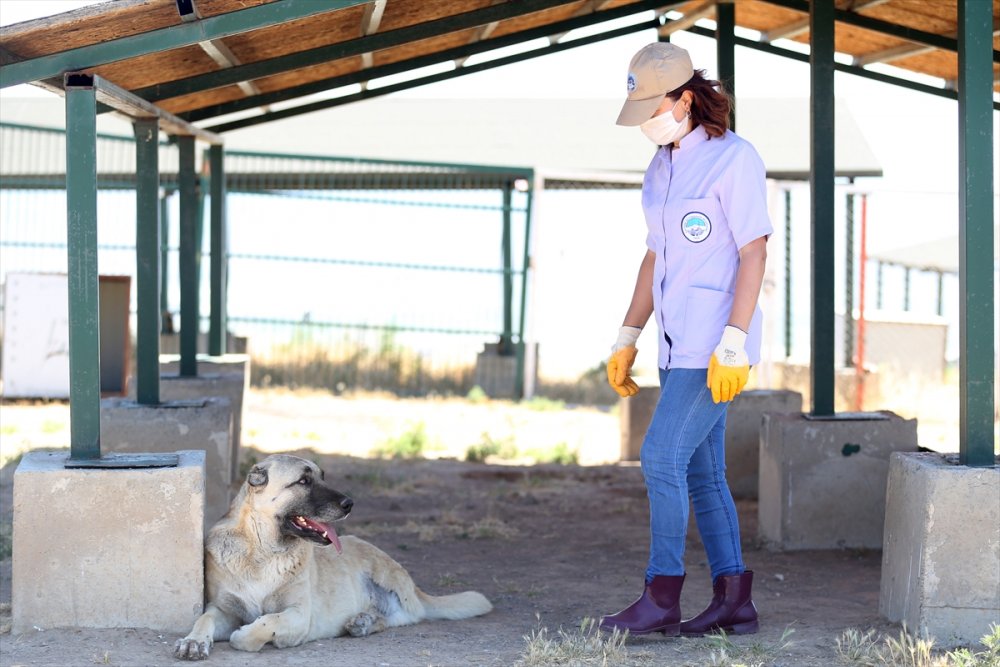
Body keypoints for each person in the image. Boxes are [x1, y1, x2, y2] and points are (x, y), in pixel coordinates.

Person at [598, 41, 771, 638]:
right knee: (703, 472)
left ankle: (662, 596)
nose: (649, 120)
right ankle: (734, 601)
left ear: (686, 97)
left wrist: (735, 341)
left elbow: (754, 252)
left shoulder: (734, 159)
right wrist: (628, 334)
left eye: (655, 106)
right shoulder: (662, 166)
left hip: (714, 347)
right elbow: (655, 256)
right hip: (676, 346)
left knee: (660, 457)